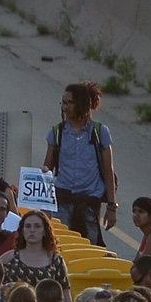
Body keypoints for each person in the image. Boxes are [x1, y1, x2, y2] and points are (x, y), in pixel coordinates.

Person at [44, 81, 117, 246]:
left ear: (83, 104)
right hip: (63, 198)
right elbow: (46, 170)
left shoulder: (100, 132)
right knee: (61, 245)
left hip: (90, 200)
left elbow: (108, 171)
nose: (66, 107)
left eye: (71, 102)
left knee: (89, 245)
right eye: (64, 102)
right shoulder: (56, 133)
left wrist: (112, 207)